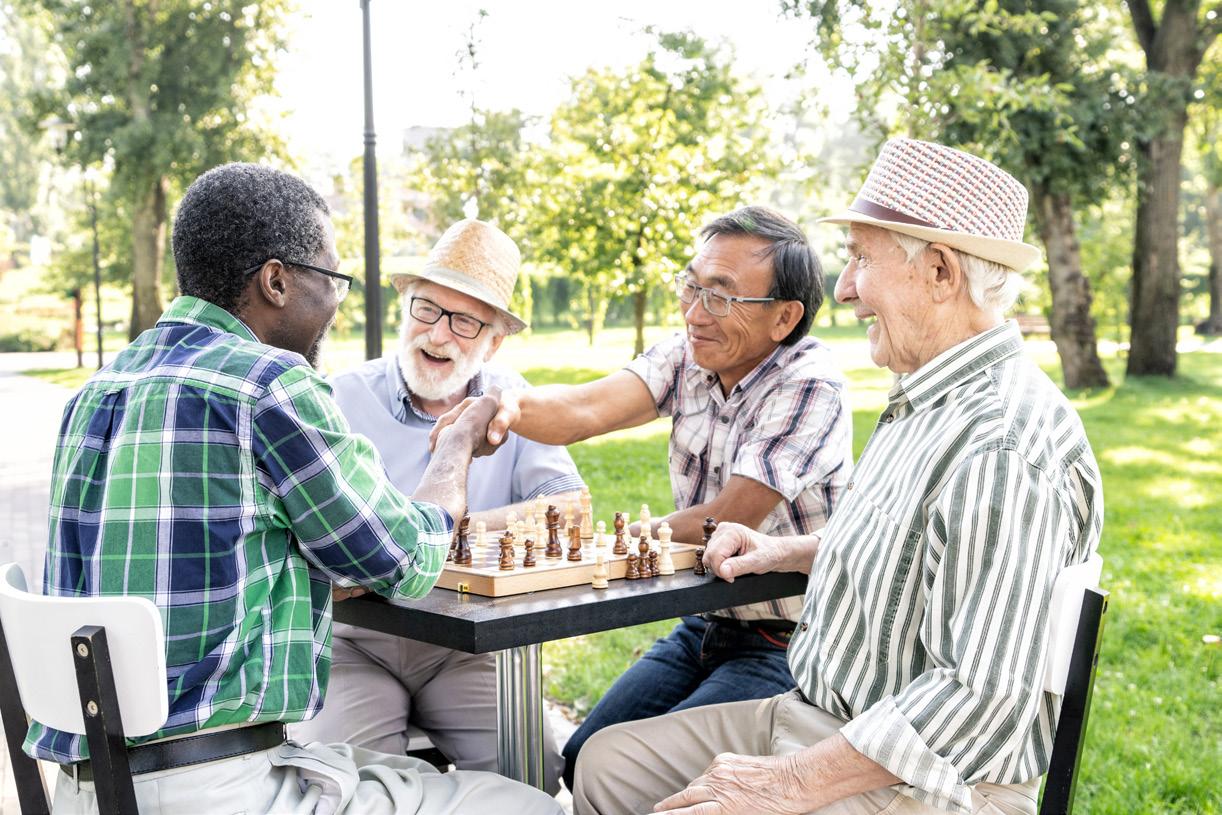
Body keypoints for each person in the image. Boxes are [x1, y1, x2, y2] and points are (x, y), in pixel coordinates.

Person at [572, 138, 1105, 815]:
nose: (846, 287)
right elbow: (917, 550)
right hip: (824, 716)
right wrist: (785, 551)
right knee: (604, 765)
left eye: (860, 258)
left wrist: (787, 782)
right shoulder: (926, 398)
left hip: (929, 781)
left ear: (940, 272)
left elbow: (981, 692)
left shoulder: (1001, 442)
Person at [28, 163, 562, 815]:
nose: (335, 305)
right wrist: (454, 448)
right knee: (528, 803)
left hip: (90, 791)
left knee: (392, 767)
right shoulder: (268, 385)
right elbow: (407, 560)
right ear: (276, 280)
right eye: (331, 281)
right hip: (224, 788)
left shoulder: (93, 395)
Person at [435, 206, 853, 791]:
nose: (694, 312)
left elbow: (729, 519)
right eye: (691, 285)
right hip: (703, 624)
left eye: (720, 296)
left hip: (793, 643)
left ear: (784, 318)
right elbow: (583, 410)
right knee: (583, 757)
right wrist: (502, 405)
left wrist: (610, 540)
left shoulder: (810, 384)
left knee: (655, 782)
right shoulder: (688, 354)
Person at [292, 219, 582, 792]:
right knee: (348, 789)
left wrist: (441, 535)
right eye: (426, 308)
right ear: (405, 308)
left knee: (534, 775)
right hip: (355, 643)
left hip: (469, 648)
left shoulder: (512, 402)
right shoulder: (338, 399)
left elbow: (569, 512)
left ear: (494, 341)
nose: (438, 334)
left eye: (465, 321)